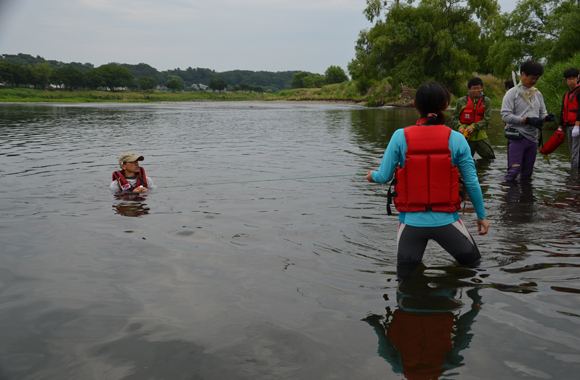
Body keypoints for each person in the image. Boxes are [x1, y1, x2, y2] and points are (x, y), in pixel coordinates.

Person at [366, 81, 489, 271]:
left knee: (407, 278)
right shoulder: (457, 139)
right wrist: (481, 216)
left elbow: (383, 177)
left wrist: (371, 175)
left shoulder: (400, 136)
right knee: (474, 268)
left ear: (415, 105)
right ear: (446, 106)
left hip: (410, 226)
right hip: (447, 222)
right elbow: (472, 183)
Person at [501, 60, 554, 182]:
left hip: (533, 138)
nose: (534, 81)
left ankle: (526, 200)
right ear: (523, 74)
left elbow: (542, 114)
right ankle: (508, 199)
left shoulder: (537, 94)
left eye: (537, 79)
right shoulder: (512, 94)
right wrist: (527, 120)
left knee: (527, 173)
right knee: (513, 172)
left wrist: (546, 118)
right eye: (532, 78)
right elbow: (506, 116)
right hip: (517, 137)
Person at [450, 77, 495, 159]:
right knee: (464, 159)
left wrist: (474, 126)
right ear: (469, 89)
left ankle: (483, 170)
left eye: (478, 88)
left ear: (482, 88)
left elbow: (487, 118)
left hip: (481, 136)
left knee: (490, 157)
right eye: (474, 88)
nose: (476, 91)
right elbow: (454, 117)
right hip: (465, 136)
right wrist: (459, 127)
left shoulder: (486, 101)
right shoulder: (462, 101)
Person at [558, 67, 580, 169]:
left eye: (574, 78)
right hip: (568, 126)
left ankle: (574, 174)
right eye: (569, 79)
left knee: (576, 151)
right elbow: (563, 111)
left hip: (577, 126)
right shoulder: (566, 94)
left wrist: (577, 126)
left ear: (578, 78)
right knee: (572, 150)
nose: (572, 81)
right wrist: (560, 127)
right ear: (565, 80)